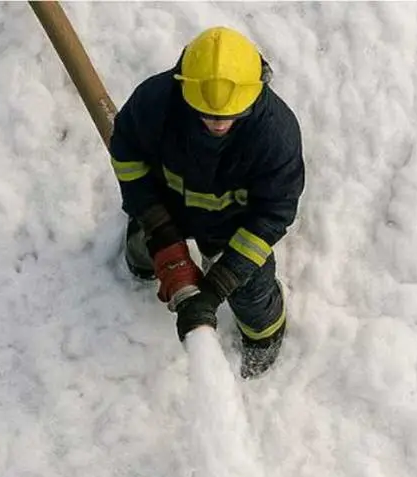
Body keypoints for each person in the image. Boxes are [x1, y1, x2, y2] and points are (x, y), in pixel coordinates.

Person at [107, 26, 305, 379]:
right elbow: (126, 155)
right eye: (207, 114)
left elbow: (273, 214)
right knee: (145, 247)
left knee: (252, 292)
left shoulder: (276, 135)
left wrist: (218, 286)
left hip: (233, 226)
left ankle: (263, 338)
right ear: (184, 87)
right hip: (166, 207)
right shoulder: (155, 103)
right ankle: (144, 265)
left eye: (229, 115)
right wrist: (162, 235)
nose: (218, 123)